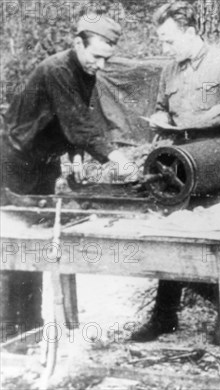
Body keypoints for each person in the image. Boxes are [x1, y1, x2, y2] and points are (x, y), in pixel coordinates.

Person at [129, 2, 220, 342]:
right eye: (161, 41)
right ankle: (164, 317)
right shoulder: (170, 71)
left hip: (218, 160)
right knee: (176, 237)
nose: (165, 49)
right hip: (178, 163)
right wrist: (159, 124)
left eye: (169, 41)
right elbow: (162, 109)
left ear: (191, 33)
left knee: (219, 243)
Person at [0, 13, 135, 336]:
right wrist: (116, 157)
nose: (101, 66)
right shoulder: (58, 69)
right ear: (78, 43)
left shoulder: (84, 68)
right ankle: (8, 333)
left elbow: (72, 118)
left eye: (107, 58)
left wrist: (74, 159)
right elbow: (78, 124)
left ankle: (30, 327)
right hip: (15, 163)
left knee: (39, 244)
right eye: (97, 56)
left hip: (44, 162)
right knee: (15, 245)